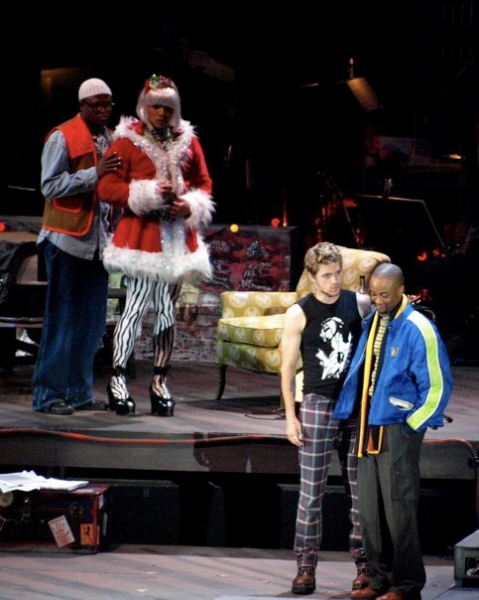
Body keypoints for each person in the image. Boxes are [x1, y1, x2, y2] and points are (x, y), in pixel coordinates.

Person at [333, 262, 453, 600]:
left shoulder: (418, 327)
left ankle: (407, 584)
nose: (378, 300)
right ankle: (379, 578)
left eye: (385, 294)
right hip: (368, 424)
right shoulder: (373, 320)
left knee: (399, 509)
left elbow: (438, 385)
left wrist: (412, 426)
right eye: (373, 294)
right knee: (370, 511)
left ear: (401, 290)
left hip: (398, 428)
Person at [97, 73, 214, 417]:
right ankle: (118, 380)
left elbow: (204, 183)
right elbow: (106, 187)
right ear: (144, 107)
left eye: (168, 107)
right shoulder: (127, 141)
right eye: (156, 106)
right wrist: (145, 193)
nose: (162, 113)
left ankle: (160, 381)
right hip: (142, 238)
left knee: (166, 311)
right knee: (134, 309)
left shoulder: (188, 141)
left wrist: (189, 204)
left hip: (176, 240)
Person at [280, 241, 372, 596]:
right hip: (317, 403)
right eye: (327, 275)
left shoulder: (358, 303)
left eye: (338, 274)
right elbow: (287, 369)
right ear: (312, 276)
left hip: (354, 405)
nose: (334, 281)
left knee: (360, 493)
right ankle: (305, 568)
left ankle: (365, 567)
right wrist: (291, 417)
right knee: (310, 494)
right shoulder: (299, 312)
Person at [32, 78, 122, 415]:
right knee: (62, 321)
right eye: (96, 105)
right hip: (67, 240)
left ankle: (79, 392)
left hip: (98, 244)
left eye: (107, 104)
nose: (102, 110)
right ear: (82, 105)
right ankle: (49, 395)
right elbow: (50, 186)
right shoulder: (62, 136)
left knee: (92, 324)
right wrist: (94, 174)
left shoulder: (113, 138)